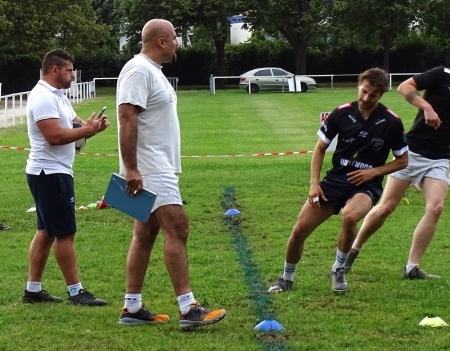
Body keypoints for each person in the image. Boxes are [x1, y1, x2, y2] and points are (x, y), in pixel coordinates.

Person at [116, 19, 226, 328]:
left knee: (145, 233)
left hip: (155, 164)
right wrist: (133, 168)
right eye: (175, 38)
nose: (178, 42)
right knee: (177, 227)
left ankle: (132, 308)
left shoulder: (153, 71)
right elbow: (126, 117)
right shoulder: (139, 70)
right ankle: (189, 308)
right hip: (149, 166)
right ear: (161, 42)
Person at [268, 68, 408, 294]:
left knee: (350, 216)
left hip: (366, 185)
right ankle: (286, 278)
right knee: (299, 230)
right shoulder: (341, 113)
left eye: (372, 95)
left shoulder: (391, 122)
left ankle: (338, 269)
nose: (365, 98)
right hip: (334, 181)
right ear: (358, 86)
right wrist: (314, 183)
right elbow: (320, 148)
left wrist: (374, 173)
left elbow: (402, 161)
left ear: (381, 95)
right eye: (363, 91)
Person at [344, 66, 450, 279]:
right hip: (413, 152)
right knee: (386, 207)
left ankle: (412, 267)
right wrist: (427, 107)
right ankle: (352, 251)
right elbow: (404, 86)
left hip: (441, 157)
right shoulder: (442, 74)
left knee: (436, 207)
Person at [23, 49, 109, 306]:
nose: (73, 75)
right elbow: (54, 136)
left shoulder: (59, 96)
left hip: (53, 171)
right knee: (64, 233)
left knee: (46, 231)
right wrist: (86, 129)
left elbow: (76, 128)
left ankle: (33, 290)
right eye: (70, 70)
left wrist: (93, 129)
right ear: (54, 70)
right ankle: (76, 291)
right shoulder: (42, 97)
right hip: (49, 172)